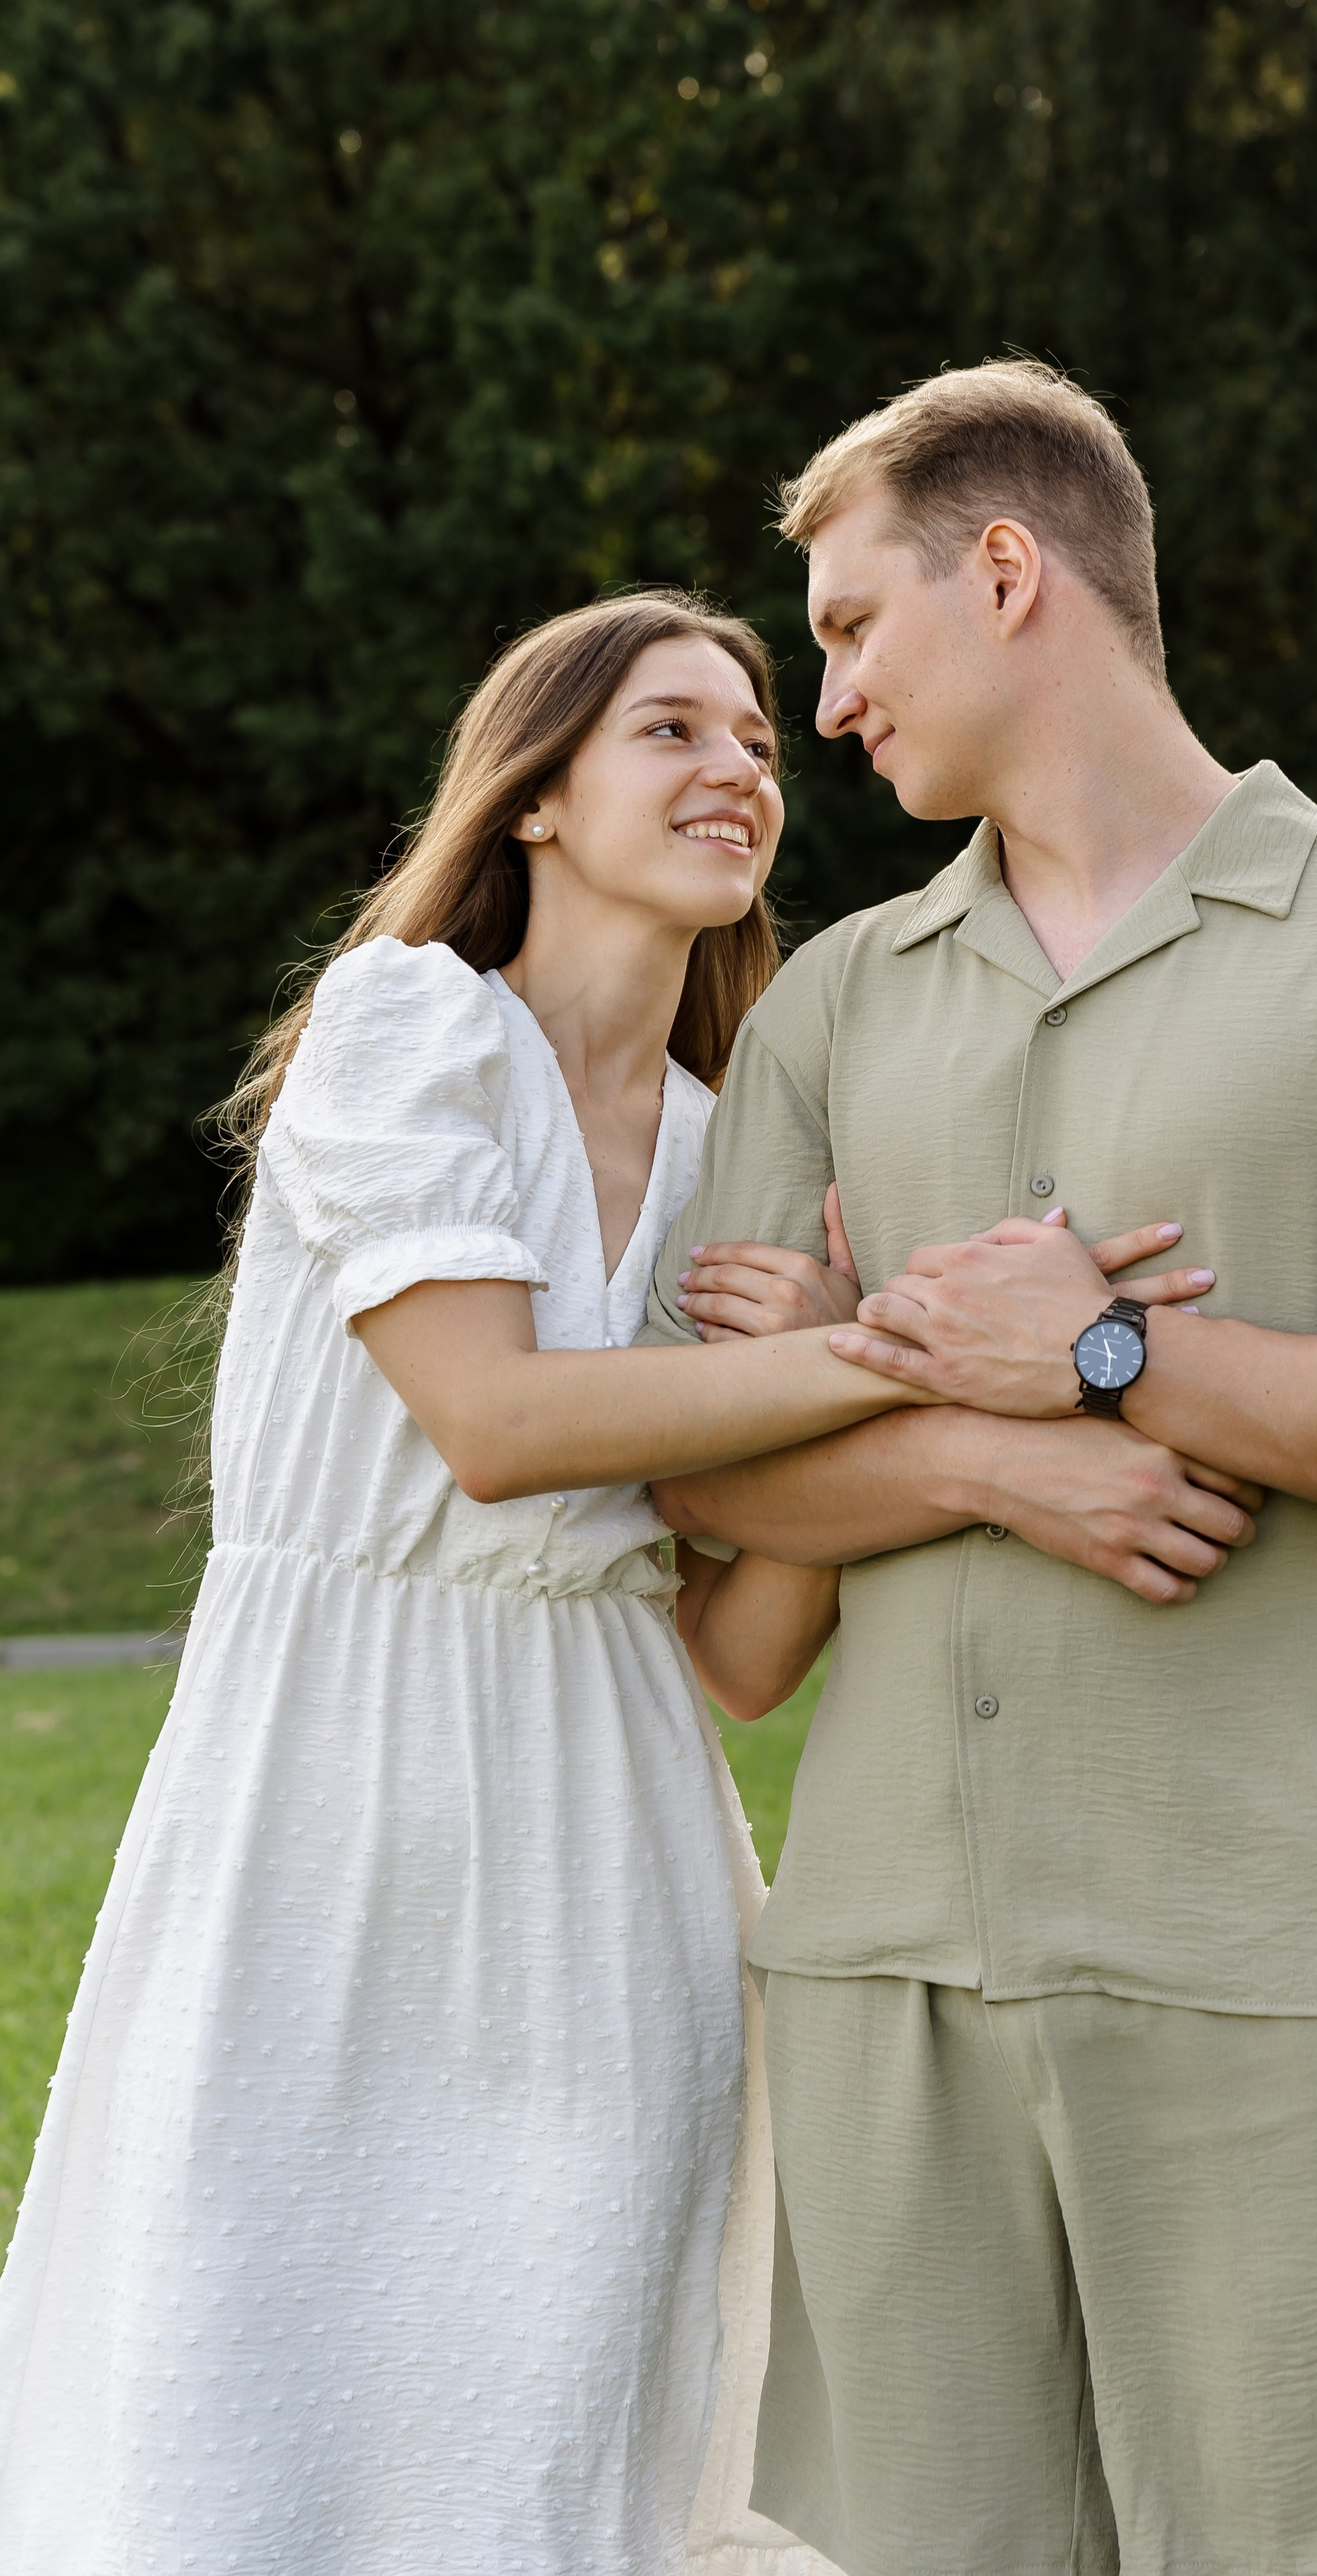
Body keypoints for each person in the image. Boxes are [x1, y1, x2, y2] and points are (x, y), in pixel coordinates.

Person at [647, 363, 1317, 2576]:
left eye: (845, 630)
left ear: (1009, 572)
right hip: (894, 1971)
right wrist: (1004, 1448)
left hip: (1281, 1949)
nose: (823, 710)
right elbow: (726, 1508)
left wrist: (1104, 1356)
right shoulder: (823, 1018)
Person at [0, 590, 1002, 2576]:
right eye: (672, 731)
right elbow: (488, 1416)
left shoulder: (743, 1156)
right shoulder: (405, 1026)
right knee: (264, 2368)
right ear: (534, 795)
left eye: (758, 745)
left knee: (566, 2395)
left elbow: (728, 1652)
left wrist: (855, 1448)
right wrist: (907, 1358)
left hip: (620, 1845)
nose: (736, 769)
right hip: (330, 1802)